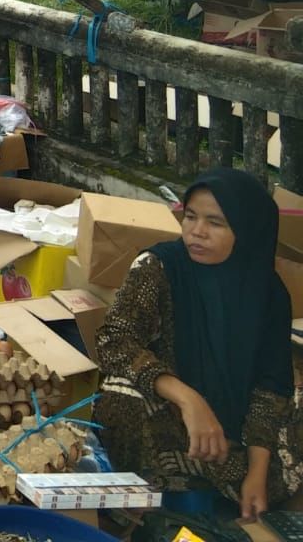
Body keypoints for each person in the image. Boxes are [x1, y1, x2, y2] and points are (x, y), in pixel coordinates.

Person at [96, 168, 301, 519]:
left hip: (236, 432)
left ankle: (237, 486)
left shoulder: (268, 292)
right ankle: (143, 511)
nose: (196, 231)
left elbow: (270, 387)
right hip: (172, 422)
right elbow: (114, 340)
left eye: (216, 223)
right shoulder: (158, 267)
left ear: (247, 231)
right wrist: (189, 399)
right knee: (121, 396)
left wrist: (257, 472)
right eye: (190, 217)